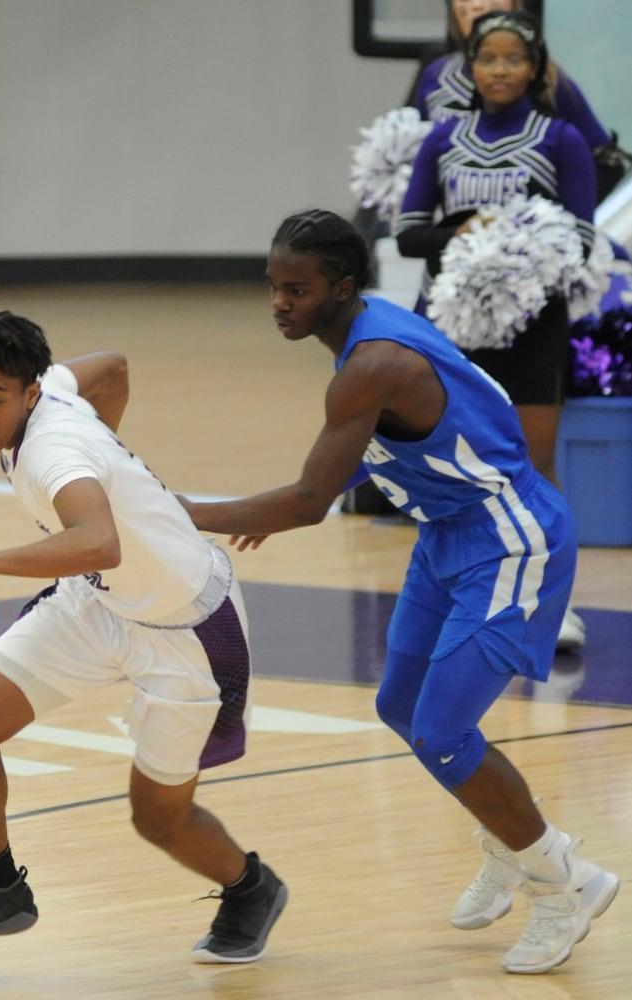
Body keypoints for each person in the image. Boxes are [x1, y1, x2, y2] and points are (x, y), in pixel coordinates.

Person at [184, 208, 619, 975]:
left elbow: (307, 503)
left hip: (508, 536)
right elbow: (387, 440)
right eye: (273, 287)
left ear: (342, 287)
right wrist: (276, 506)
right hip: (446, 533)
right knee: (400, 708)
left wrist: (179, 513)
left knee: (444, 732)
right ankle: (508, 842)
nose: (278, 303)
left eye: (296, 289)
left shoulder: (372, 361)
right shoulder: (362, 338)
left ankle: (561, 884)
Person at [0, 311, 287, 963]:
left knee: (157, 819)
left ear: (28, 393)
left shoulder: (54, 452)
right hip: (96, 603)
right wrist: (109, 462)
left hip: (185, 631)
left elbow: (98, 542)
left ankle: (251, 888)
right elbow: (112, 366)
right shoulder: (52, 390)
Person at [396, 10, 597, 651]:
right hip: (452, 329)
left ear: (535, 69)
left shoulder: (560, 138)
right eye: (489, 59)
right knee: (451, 468)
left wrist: (519, 252)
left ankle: (553, 606)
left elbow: (583, 236)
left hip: (533, 326)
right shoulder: (443, 138)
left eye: (515, 59)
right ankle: (459, 600)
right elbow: (407, 233)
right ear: (470, 68)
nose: (501, 70)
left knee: (534, 466)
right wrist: (462, 236)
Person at [408, 0, 625, 199]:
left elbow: (608, 164)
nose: (476, 5)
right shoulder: (437, 76)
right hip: (451, 228)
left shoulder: (551, 82)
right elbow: (413, 162)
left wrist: (554, 219)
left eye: (514, 61)